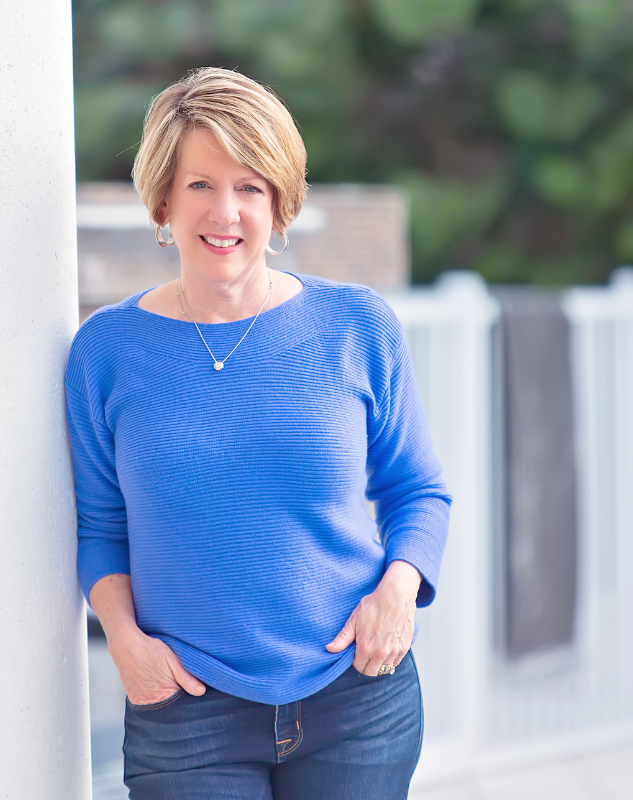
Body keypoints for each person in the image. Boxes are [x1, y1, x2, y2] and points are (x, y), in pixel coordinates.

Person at [64, 66, 452, 800]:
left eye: (250, 187)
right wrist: (124, 641)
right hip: (185, 712)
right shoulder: (106, 351)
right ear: (164, 200)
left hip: (356, 697)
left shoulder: (356, 326)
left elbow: (418, 489)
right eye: (201, 185)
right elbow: (98, 524)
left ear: (279, 201)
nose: (226, 212)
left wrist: (398, 593)